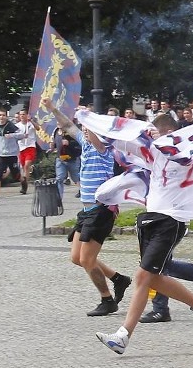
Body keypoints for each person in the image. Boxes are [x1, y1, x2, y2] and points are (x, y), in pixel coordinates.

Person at [95, 114, 193, 353]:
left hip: (171, 221)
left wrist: (160, 141)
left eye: (157, 133)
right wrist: (89, 124)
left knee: (142, 276)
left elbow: (180, 156)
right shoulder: (155, 153)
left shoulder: (184, 152)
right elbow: (121, 142)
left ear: (169, 132)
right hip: (152, 218)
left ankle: (122, 337)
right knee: (153, 277)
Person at [43, 98, 132, 316]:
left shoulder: (105, 149)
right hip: (87, 210)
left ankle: (107, 300)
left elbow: (93, 136)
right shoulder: (86, 144)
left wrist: (87, 119)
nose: (84, 130)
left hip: (102, 210)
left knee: (87, 260)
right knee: (77, 258)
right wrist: (53, 109)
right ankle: (119, 279)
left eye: (88, 128)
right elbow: (67, 126)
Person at [0, 109, 22, 203]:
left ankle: (23, 181)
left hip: (11, 154)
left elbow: (22, 135)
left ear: (6, 117)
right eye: (0, 115)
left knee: (16, 175)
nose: (2, 117)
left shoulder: (11, 126)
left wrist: (12, 135)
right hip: (1, 155)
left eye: (3, 115)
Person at [51, 123, 81, 199]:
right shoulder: (55, 131)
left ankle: (85, 192)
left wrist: (69, 143)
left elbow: (79, 143)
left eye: (60, 121)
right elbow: (54, 144)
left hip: (72, 159)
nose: (58, 123)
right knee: (59, 178)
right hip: (60, 159)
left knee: (76, 178)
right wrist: (52, 146)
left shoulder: (71, 131)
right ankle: (58, 199)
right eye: (57, 121)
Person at [15, 110, 38, 194]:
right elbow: (14, 136)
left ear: (26, 115)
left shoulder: (30, 124)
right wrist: (21, 136)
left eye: (23, 114)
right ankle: (24, 184)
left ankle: (25, 182)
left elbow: (38, 128)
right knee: (23, 167)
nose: (22, 116)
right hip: (21, 148)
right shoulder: (17, 126)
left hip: (30, 146)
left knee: (27, 165)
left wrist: (31, 120)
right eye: (20, 115)